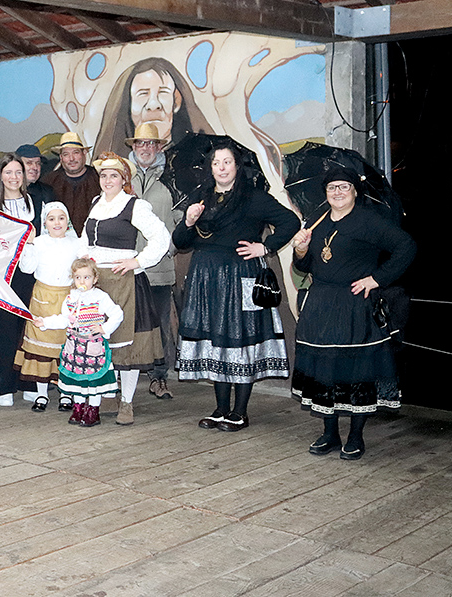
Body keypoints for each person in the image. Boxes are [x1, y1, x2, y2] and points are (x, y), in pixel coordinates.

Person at [173, 139, 299, 432]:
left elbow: (290, 221)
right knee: (216, 341)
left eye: (227, 162)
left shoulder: (254, 197)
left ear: (237, 166)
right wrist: (188, 222)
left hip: (241, 275)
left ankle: (239, 412)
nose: (221, 168)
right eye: (216, 163)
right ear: (210, 168)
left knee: (241, 340)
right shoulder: (201, 197)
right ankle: (220, 409)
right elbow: (180, 242)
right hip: (207, 277)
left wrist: (265, 247)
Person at [290, 168, 415, 460]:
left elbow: (406, 247)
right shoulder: (317, 221)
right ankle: (330, 433)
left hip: (354, 305)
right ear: (325, 192)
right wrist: (301, 250)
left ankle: (356, 436)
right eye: (332, 187)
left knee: (357, 370)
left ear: (355, 191)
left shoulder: (369, 221)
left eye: (344, 186)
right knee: (325, 370)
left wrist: (377, 279)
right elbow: (305, 267)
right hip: (320, 304)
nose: (337, 192)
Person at [78, 152, 169, 426]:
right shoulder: (96, 203)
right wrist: (83, 264)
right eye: (104, 175)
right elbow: (84, 240)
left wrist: (137, 261)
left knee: (128, 345)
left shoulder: (134, 206)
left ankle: (127, 401)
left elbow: (161, 237)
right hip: (97, 282)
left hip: (125, 282)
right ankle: (109, 394)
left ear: (124, 180)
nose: (108, 180)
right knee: (101, 340)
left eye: (114, 176)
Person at [33, 257, 124, 427]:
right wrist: (45, 322)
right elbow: (64, 319)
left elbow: (117, 314)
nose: (82, 281)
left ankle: (93, 410)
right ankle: (78, 408)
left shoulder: (100, 297)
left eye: (87, 277)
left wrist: (104, 328)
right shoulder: (71, 298)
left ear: (95, 279)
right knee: (77, 378)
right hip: (74, 347)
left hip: (93, 347)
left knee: (93, 379)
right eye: (78, 277)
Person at [125, 123, 179, 401]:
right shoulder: (121, 175)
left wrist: (171, 245)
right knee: (123, 323)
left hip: (158, 268)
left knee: (159, 326)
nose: (145, 148)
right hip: (126, 265)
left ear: (159, 147)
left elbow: (179, 219)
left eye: (150, 143)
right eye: (140, 143)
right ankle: (122, 376)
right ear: (133, 147)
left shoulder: (171, 178)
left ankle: (159, 377)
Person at [14, 202, 84, 411]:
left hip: (68, 299)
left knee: (67, 349)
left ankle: (66, 393)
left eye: (61, 218)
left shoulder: (77, 244)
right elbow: (27, 269)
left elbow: (84, 268)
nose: (56, 223)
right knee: (41, 350)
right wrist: (28, 245)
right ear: (45, 222)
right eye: (51, 219)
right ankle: (41, 394)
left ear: (67, 221)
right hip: (42, 298)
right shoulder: (38, 242)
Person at [0, 154, 43, 407]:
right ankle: (4, 385)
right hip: (3, 275)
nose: (14, 177)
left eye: (18, 172)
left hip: (31, 273)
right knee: (4, 329)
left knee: (29, 327)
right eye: (8, 172)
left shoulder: (36, 202)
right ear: (0, 176)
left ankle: (28, 382)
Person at [92, 57, 213, 158]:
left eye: (163, 92)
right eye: (143, 93)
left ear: (176, 101)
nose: (153, 105)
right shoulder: (112, 168)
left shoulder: (198, 158)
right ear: (128, 105)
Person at [41, 132, 100, 230]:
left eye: (76, 153)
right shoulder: (48, 182)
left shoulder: (98, 179)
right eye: (66, 154)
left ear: (84, 154)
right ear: (61, 158)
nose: (71, 158)